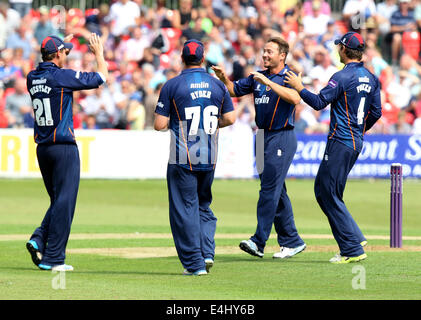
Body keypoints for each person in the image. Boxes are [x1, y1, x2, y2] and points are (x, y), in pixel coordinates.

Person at [284, 31, 382, 264]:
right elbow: (377, 112)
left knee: (326, 192)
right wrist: (360, 130)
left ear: (345, 50)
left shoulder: (342, 76)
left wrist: (299, 86)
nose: (337, 49)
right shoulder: (371, 78)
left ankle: (352, 248)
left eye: (339, 46)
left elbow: (318, 102)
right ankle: (354, 237)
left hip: (341, 140)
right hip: (355, 141)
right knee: (327, 191)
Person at [212, 36, 306, 259]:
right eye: (264, 51)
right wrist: (224, 78)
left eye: (269, 52)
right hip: (262, 136)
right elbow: (234, 90)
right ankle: (292, 241)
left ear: (282, 56)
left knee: (269, 190)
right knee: (273, 188)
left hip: (281, 136)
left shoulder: (288, 75)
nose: (265, 55)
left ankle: (259, 241)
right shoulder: (257, 76)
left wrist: (269, 83)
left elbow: (295, 98)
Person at [25, 33, 108, 271]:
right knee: (65, 201)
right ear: (59, 54)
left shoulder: (32, 77)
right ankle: (53, 258)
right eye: (66, 52)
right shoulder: (61, 76)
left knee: (58, 200)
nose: (68, 56)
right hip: (63, 147)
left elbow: (47, 68)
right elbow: (101, 77)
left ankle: (39, 238)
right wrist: (99, 53)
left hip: (43, 149)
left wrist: (58, 42)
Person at [154, 39, 236, 275]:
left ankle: (194, 263)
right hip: (209, 155)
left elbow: (159, 124)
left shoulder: (172, 85)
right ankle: (207, 252)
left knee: (184, 209)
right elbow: (230, 118)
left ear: (182, 58)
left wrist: (183, 123)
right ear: (203, 59)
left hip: (183, 156)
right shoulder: (217, 85)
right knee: (203, 205)